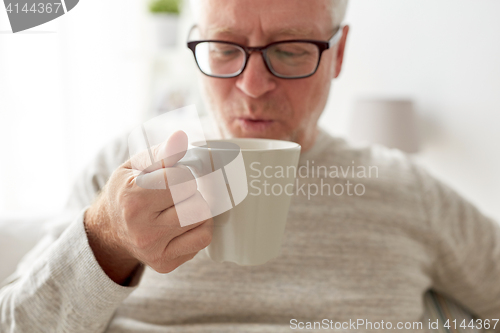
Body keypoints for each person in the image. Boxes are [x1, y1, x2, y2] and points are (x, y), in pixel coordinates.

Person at [1, 0, 500, 332]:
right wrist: (107, 241)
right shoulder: (126, 169)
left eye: (288, 51)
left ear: (338, 53)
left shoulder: (406, 189)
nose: (253, 85)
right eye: (223, 49)